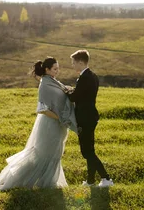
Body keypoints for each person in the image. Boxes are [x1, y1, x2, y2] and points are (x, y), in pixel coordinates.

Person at [0, 57, 77, 191]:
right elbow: (42, 109)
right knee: (44, 154)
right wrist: (59, 118)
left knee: (55, 153)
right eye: (55, 69)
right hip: (50, 125)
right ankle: (21, 180)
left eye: (58, 68)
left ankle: (48, 182)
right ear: (47, 70)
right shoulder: (44, 85)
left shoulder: (53, 81)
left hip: (58, 125)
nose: (57, 71)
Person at [64, 49, 113, 188]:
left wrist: (66, 91)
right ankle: (91, 181)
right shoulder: (92, 76)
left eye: (73, 63)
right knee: (89, 150)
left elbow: (74, 97)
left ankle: (106, 178)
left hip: (85, 118)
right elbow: (82, 94)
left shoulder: (85, 78)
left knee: (87, 152)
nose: (72, 65)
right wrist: (73, 90)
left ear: (80, 62)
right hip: (90, 116)